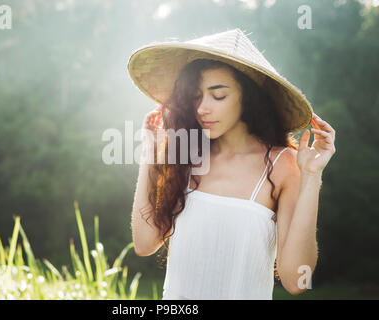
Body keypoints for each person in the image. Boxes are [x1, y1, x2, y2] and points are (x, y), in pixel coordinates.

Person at [129, 29, 336, 300]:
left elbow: (296, 280)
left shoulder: (283, 165)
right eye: (196, 97)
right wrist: (149, 153)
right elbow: (144, 244)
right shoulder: (187, 156)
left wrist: (312, 178)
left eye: (218, 96)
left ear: (247, 98)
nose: (202, 108)